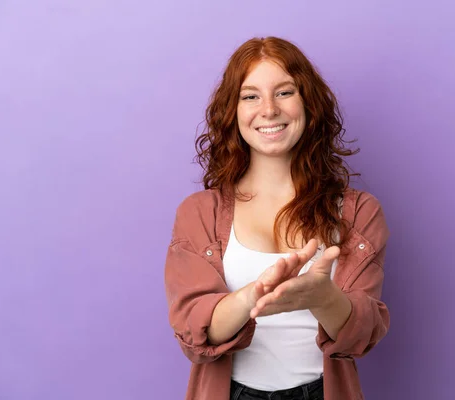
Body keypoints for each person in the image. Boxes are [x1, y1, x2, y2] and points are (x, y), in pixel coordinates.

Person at [164, 36, 390, 400]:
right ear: (232, 111)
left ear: (309, 104)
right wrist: (256, 293)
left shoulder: (358, 212)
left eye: (284, 92)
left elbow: (362, 336)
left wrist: (322, 297)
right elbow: (194, 334)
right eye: (250, 96)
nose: (268, 110)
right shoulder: (199, 213)